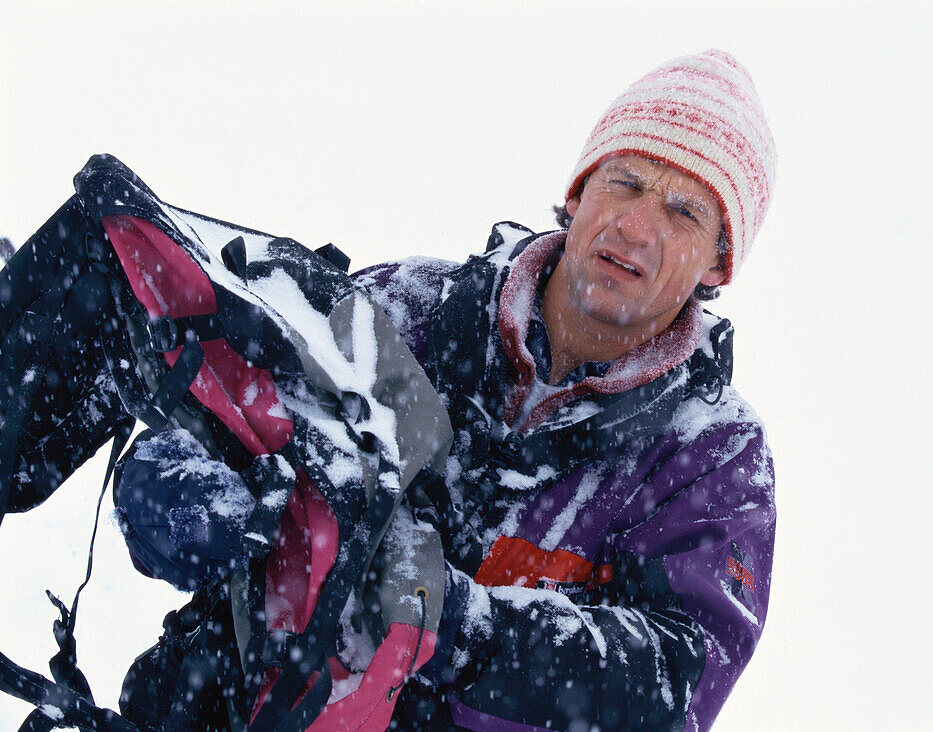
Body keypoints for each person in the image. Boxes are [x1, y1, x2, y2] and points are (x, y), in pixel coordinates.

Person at [111, 48, 776, 730]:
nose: (636, 226)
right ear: (577, 194)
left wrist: (463, 629)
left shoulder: (713, 455)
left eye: (683, 212)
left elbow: (675, 679)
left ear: (720, 263)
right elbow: (218, 425)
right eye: (626, 182)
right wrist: (172, 478)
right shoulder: (403, 310)